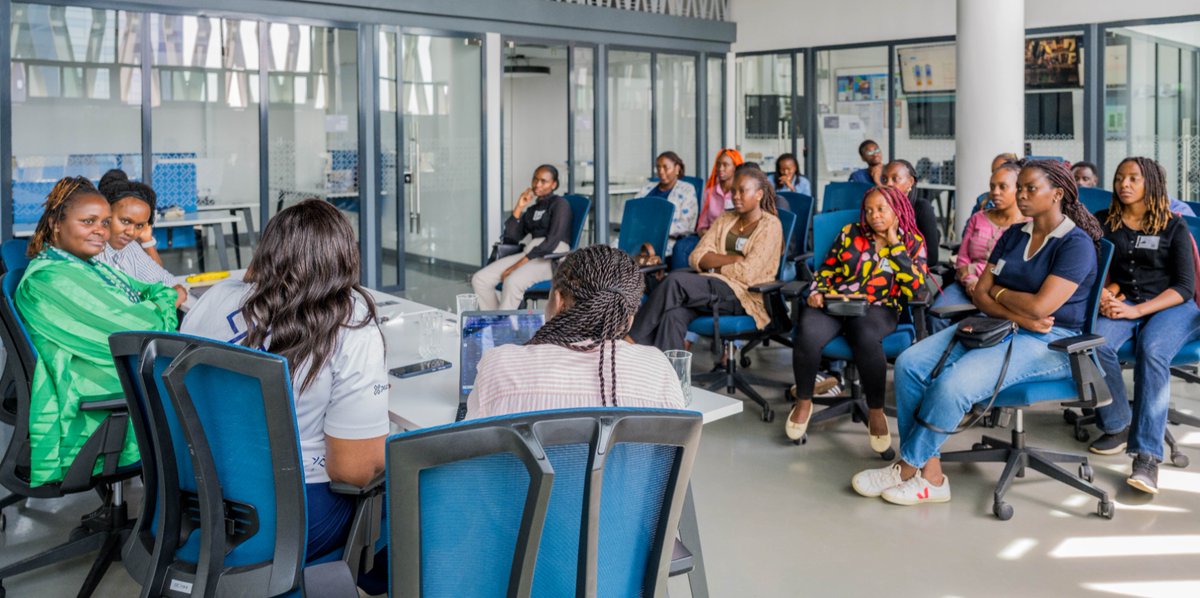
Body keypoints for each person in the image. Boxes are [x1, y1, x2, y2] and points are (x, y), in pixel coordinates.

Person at [851, 160, 1103, 506]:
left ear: (1057, 194)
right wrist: (1018, 309)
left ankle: (908, 466)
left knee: (952, 384)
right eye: (1021, 188)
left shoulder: (1075, 244)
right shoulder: (1015, 234)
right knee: (910, 363)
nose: (1021, 195)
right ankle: (932, 474)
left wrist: (1010, 301)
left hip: (1052, 341)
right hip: (999, 326)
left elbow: (1041, 309)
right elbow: (982, 294)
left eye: (1031, 188)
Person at [181, 199, 387, 562]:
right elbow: (353, 471)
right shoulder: (349, 322)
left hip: (198, 500)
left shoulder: (214, 299)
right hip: (287, 514)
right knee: (405, 494)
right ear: (343, 256)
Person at [15, 177, 179, 487]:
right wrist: (160, 307)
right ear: (56, 224)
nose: (101, 231)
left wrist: (158, 303)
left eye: (104, 222)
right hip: (93, 388)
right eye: (88, 221)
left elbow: (155, 290)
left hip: (108, 373)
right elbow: (144, 331)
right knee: (198, 385)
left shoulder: (85, 264)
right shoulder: (50, 279)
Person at [1088, 157, 1200, 494]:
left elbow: (1182, 287)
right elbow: (1100, 270)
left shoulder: (1172, 225)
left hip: (1173, 306)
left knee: (1153, 350)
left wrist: (1137, 312)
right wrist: (1108, 296)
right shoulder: (1104, 221)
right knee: (1094, 343)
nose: (1124, 184)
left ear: (1150, 183)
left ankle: (1147, 457)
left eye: (1133, 178)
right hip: (1127, 301)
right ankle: (1119, 422)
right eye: (1120, 178)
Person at [468, 245, 686, 418]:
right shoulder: (660, 372)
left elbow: (475, 456)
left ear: (559, 301)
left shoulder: (499, 365)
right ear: (630, 317)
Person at [785, 186, 928, 451]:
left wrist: (895, 246)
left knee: (865, 334)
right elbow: (827, 269)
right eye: (869, 210)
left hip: (880, 307)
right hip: (838, 302)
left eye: (881, 209)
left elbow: (917, 290)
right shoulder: (851, 233)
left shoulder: (912, 241)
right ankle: (804, 401)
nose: (874, 216)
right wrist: (817, 292)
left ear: (897, 210)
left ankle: (875, 410)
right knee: (808, 329)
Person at [631, 167, 783, 351]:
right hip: (709, 289)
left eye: (742, 191)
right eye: (733, 191)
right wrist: (734, 259)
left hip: (742, 295)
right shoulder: (726, 218)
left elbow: (748, 274)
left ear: (759, 194)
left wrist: (713, 266)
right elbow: (696, 256)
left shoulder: (770, 226)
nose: (735, 196)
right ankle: (669, 375)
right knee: (673, 315)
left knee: (675, 281)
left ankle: (630, 340)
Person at [932, 161, 1027, 318]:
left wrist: (982, 284)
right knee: (936, 316)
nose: (995, 192)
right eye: (992, 187)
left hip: (1000, 291)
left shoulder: (1028, 225)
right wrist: (970, 280)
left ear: (1018, 189)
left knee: (981, 327)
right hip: (966, 284)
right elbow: (962, 257)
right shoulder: (978, 218)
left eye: (1002, 187)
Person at [471, 165, 573, 310]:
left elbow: (552, 241)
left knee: (512, 281)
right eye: (535, 180)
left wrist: (515, 266)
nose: (537, 184)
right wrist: (519, 207)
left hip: (552, 256)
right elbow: (511, 238)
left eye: (543, 181)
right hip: (530, 253)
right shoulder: (532, 210)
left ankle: (503, 327)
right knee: (480, 279)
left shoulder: (560, 204)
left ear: (554, 184)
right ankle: (494, 322)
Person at [96, 172, 187, 309]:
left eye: (139, 226)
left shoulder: (130, 248)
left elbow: (170, 285)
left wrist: (147, 240)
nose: (131, 232)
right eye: (125, 221)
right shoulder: (92, 251)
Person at [882, 159, 940, 266]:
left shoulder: (922, 208)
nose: (888, 184)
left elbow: (931, 258)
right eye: (884, 179)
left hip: (909, 273)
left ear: (910, 182)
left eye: (895, 179)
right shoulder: (878, 209)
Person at [637, 151, 699, 250]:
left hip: (667, 241)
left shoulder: (687, 190)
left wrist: (655, 230)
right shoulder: (647, 188)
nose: (661, 171)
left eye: (666, 167)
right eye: (658, 167)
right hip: (639, 237)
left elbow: (686, 225)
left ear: (677, 168)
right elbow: (634, 213)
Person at [697, 148, 745, 233]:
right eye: (718, 164)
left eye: (725, 165)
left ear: (735, 167)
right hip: (710, 238)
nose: (720, 168)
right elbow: (702, 226)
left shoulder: (741, 194)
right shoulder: (709, 192)